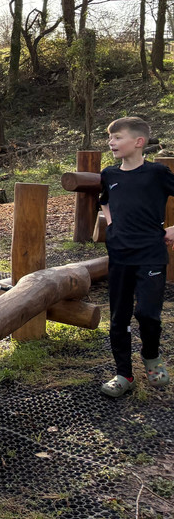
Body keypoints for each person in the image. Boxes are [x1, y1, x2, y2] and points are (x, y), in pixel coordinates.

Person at [97, 116, 174, 397]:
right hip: (119, 255)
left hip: (151, 254)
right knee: (119, 317)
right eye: (110, 138)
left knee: (147, 313)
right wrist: (111, 223)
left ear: (138, 142)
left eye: (117, 137)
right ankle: (123, 374)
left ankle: (151, 356)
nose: (111, 142)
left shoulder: (157, 173)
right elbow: (103, 199)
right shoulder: (109, 174)